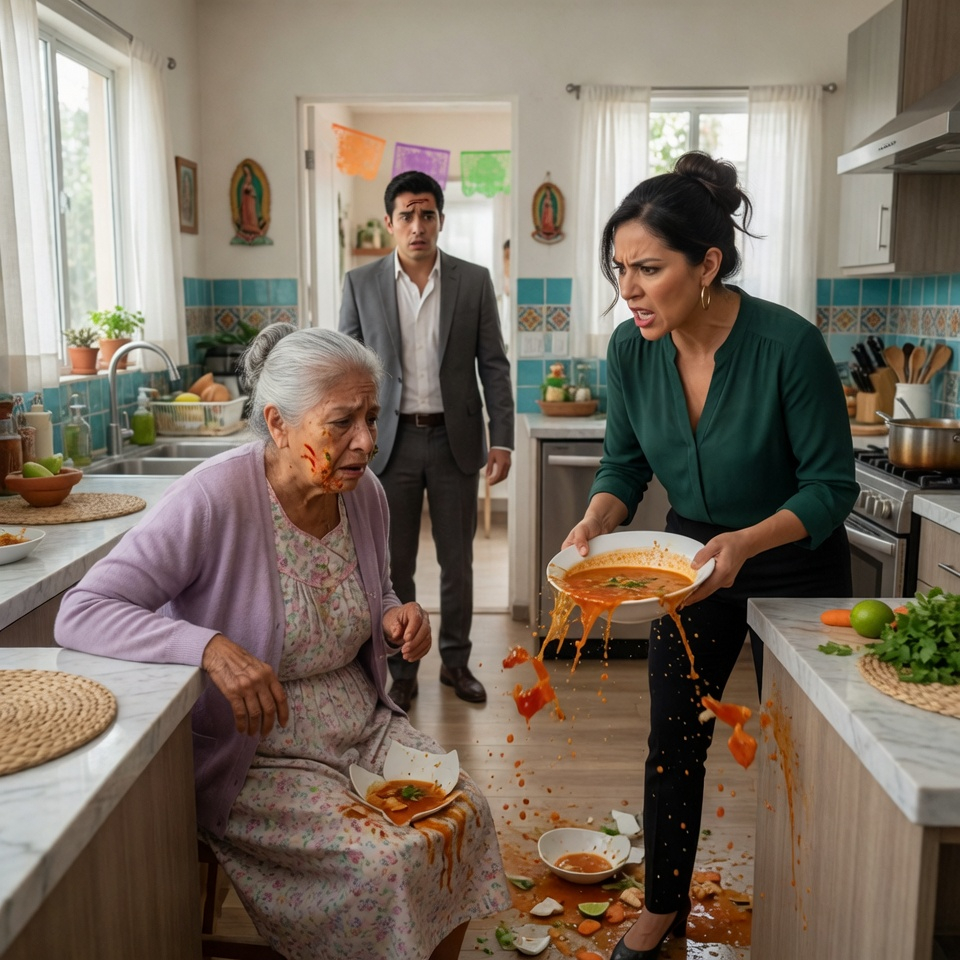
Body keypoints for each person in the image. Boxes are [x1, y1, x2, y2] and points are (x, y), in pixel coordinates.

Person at [55, 325, 510, 960]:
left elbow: (374, 590)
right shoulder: (214, 497)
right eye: (342, 422)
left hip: (362, 726)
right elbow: (83, 609)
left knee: (467, 814)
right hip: (262, 754)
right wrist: (209, 647)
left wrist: (393, 616)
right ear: (277, 422)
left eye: (372, 419)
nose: (367, 443)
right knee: (384, 862)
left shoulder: (364, 493)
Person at [562, 151, 858, 960]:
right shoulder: (631, 351)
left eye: (649, 269)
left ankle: (812, 909)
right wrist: (593, 520)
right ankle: (661, 906)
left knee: (801, 756)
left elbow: (832, 488)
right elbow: (625, 466)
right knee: (673, 740)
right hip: (691, 567)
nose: (628, 288)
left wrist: (750, 541)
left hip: (795, 569)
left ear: (708, 265)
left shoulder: (787, 346)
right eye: (620, 268)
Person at [339, 170, 515, 711]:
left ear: (440, 219)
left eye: (428, 214)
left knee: (458, 561)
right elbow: (345, 368)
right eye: (407, 215)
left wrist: (503, 439)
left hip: (454, 440)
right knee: (393, 565)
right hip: (385, 446)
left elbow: (494, 364)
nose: (418, 225)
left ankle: (457, 664)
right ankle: (403, 667)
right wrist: (348, 441)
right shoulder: (360, 283)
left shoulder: (474, 280)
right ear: (390, 222)